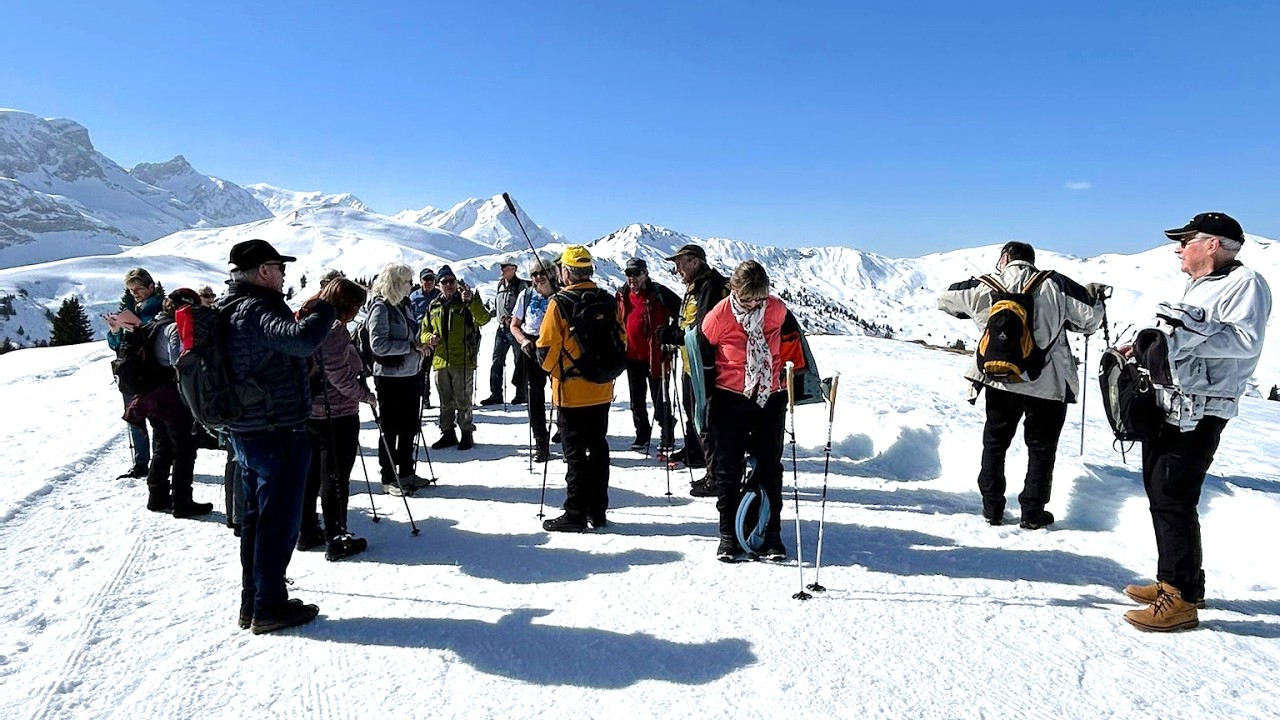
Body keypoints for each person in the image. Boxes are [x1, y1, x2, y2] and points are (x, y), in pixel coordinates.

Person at [1119, 212, 1271, 632]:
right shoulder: (1202, 284)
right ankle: (1180, 581)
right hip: (1175, 403)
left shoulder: (1246, 283)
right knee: (1160, 490)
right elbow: (1187, 336)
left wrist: (1180, 337)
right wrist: (1148, 345)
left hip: (1203, 408)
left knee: (1173, 496)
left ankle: (1180, 602)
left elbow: (1245, 342)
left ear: (1213, 244)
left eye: (1186, 240)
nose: (1178, 248)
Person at [938, 241, 1105, 529]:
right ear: (1032, 261)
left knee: (995, 443)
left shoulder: (988, 283)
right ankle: (1032, 512)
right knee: (1041, 448)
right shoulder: (1056, 283)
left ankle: (992, 507)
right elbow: (1090, 320)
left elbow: (945, 298)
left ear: (1005, 257)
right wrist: (1095, 297)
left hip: (999, 379)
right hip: (1047, 382)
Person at [223, 238, 336, 634]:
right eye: (279, 268)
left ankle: (252, 603)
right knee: (278, 521)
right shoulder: (257, 309)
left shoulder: (231, 306)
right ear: (264, 272)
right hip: (275, 429)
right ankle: (269, 606)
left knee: (255, 518)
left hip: (249, 429)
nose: (284, 274)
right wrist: (326, 306)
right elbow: (302, 341)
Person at [698, 261, 806, 561]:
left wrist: (793, 383)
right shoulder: (718, 316)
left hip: (770, 396)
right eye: (748, 298)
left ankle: (770, 532)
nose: (754, 304)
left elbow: (792, 344)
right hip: (729, 398)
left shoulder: (777, 310)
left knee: (769, 466)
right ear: (734, 289)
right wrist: (703, 400)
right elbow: (701, 354)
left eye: (759, 298)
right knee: (728, 468)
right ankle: (728, 534)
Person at [537, 246, 623, 532]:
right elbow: (620, 339)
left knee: (574, 454)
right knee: (598, 449)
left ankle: (575, 513)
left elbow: (547, 348)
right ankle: (598, 512)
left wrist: (554, 372)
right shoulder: (608, 300)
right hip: (601, 388)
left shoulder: (558, 303)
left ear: (568, 272)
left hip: (570, 392)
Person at [300, 278, 376, 561]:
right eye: (355, 306)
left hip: (310, 409)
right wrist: (366, 396)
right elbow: (339, 377)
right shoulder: (333, 331)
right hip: (337, 412)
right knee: (335, 477)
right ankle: (336, 538)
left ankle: (306, 531)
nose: (356, 312)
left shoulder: (308, 318)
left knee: (311, 475)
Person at [123, 287, 214, 519]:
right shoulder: (174, 328)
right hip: (171, 397)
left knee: (162, 446)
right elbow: (179, 364)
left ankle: (157, 497)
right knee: (184, 449)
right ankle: (183, 502)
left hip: (150, 395)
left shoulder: (150, 325)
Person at [658, 244, 729, 496]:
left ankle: (717, 477)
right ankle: (712, 471)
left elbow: (702, 331)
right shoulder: (697, 286)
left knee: (706, 421)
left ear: (695, 262)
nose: (677, 269)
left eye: (681, 262)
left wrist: (673, 335)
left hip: (705, 367)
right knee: (698, 419)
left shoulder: (708, 287)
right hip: (694, 364)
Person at [368, 263, 428, 494]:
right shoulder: (381, 308)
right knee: (391, 427)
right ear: (395, 283)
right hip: (390, 377)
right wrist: (411, 346)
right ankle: (388, 477)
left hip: (410, 373)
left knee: (409, 426)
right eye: (407, 282)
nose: (411, 286)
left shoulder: (405, 305)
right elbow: (378, 345)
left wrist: (421, 343)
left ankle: (406, 471)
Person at [421, 265, 490, 450]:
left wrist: (472, 302)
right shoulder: (433, 306)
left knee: (463, 399)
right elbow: (423, 331)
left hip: (463, 359)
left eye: (452, 281)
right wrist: (429, 338)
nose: (449, 284)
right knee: (445, 401)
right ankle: (448, 433)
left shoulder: (466, 302)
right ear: (438, 285)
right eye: (445, 282)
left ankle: (466, 433)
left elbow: (483, 319)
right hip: (440, 360)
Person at [617, 257, 681, 451]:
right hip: (632, 356)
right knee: (636, 400)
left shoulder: (659, 292)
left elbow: (681, 311)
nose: (632, 278)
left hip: (657, 357)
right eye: (629, 273)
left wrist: (672, 335)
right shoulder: (621, 294)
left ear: (645, 273)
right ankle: (642, 434)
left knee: (660, 398)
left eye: (636, 273)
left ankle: (667, 433)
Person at [106, 268, 163, 479]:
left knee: (158, 418)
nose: (134, 293)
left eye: (138, 288)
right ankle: (141, 462)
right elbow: (117, 346)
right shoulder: (131, 312)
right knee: (134, 416)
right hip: (131, 372)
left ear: (151, 287)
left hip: (153, 372)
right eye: (130, 290)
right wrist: (115, 331)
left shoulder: (160, 309)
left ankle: (160, 461)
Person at [511, 254, 558, 462]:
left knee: (560, 394)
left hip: (555, 347)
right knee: (535, 398)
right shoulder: (526, 295)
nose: (539, 277)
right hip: (531, 347)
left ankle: (565, 433)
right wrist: (522, 340)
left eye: (543, 273)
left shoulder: (560, 295)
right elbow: (514, 324)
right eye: (535, 274)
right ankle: (541, 442)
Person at [481, 261, 529, 406]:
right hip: (501, 328)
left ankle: (521, 394)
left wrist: (513, 318)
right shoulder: (500, 285)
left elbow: (524, 306)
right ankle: (496, 394)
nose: (501, 269)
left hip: (515, 328)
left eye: (505, 267)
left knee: (518, 361)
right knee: (497, 360)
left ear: (513, 269)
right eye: (501, 267)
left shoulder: (521, 286)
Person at [408, 267, 440, 410]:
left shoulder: (440, 295)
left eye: (431, 279)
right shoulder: (413, 297)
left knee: (441, 371)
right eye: (425, 279)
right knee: (422, 371)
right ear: (420, 281)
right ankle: (425, 398)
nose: (428, 282)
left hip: (439, 339)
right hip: (421, 340)